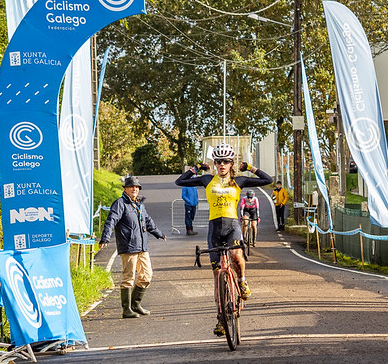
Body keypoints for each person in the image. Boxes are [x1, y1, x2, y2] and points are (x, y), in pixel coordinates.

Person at [174, 143, 273, 337]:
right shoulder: (207, 179)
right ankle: (220, 318)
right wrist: (196, 169)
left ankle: (242, 281)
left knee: (236, 255)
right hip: (214, 228)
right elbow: (180, 181)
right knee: (217, 274)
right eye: (218, 161)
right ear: (214, 163)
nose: (222, 165)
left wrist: (250, 168)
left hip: (232, 225)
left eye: (226, 161)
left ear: (231, 163)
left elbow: (267, 180)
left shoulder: (239, 180)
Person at [99, 176, 166, 319]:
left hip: (142, 246)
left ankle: (136, 304)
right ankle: (127, 309)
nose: (134, 189)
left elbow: (147, 221)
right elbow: (111, 221)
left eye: (137, 187)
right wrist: (105, 237)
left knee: (146, 276)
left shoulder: (140, 204)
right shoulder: (120, 204)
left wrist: (158, 233)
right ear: (125, 189)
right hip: (128, 246)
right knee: (128, 278)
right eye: (131, 187)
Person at [182, 171, 200, 236]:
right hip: (188, 204)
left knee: (192, 216)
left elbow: (196, 194)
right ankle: (189, 230)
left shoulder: (194, 186)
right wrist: (189, 201)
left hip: (194, 204)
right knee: (188, 217)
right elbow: (183, 196)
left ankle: (190, 229)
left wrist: (196, 200)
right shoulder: (185, 186)